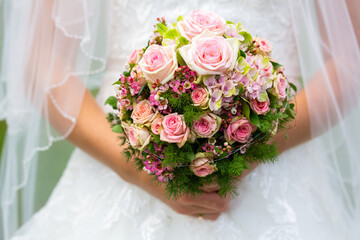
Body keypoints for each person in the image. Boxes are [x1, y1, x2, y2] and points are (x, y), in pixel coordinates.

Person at [0, 0, 359, 239]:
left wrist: (257, 146)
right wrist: (136, 168)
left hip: (277, 168)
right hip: (121, 164)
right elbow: (42, 64)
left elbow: (351, 59)